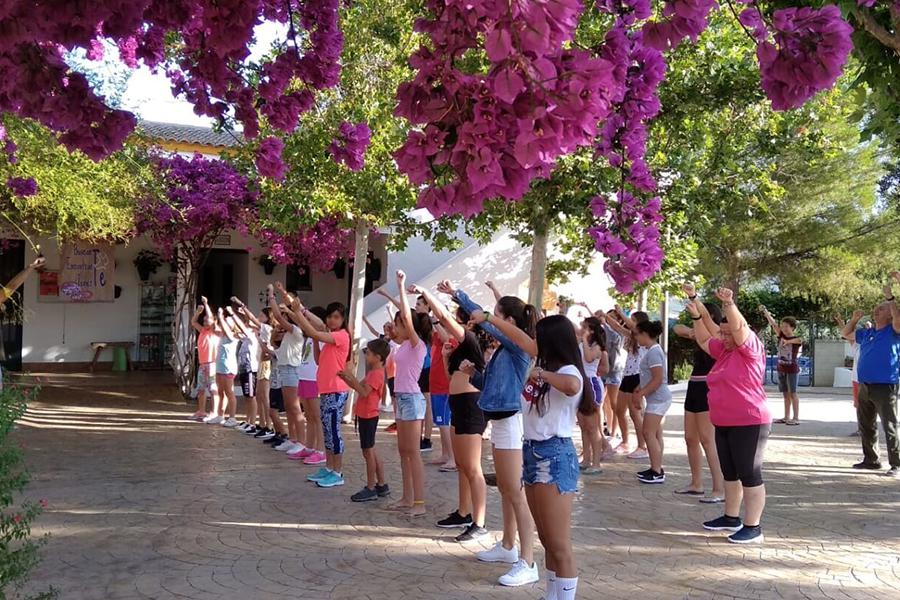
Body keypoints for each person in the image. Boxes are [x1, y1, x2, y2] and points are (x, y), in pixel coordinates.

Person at [472, 311, 595, 600]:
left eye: (539, 337)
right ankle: (552, 595)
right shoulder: (545, 363)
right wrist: (489, 317)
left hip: (554, 455)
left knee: (559, 543)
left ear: (552, 340)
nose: (534, 341)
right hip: (532, 452)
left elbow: (573, 386)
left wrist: (540, 373)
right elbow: (517, 338)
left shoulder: (568, 370)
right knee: (547, 539)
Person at [446, 281, 540, 588]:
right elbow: (489, 386)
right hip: (499, 422)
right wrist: (472, 373)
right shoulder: (503, 353)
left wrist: (460, 296)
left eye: (498, 316)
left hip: (511, 423)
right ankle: (508, 546)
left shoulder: (517, 345)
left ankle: (528, 561)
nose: (491, 322)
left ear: (509, 321)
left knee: (515, 492)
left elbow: (487, 321)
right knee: (506, 489)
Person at [689, 286, 772, 544]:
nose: (723, 336)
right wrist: (696, 314)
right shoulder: (724, 351)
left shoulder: (751, 349)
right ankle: (731, 517)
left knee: (749, 473)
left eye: (727, 333)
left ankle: (753, 526)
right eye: (722, 333)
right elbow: (704, 339)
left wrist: (728, 304)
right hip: (724, 422)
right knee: (730, 473)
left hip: (750, 420)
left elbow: (738, 327)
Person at [414, 285, 489, 542]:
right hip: (458, 403)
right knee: (462, 465)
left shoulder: (471, 341)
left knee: (473, 467)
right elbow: (450, 378)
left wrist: (427, 293)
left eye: (460, 319)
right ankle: (463, 512)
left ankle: (479, 522)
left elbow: (443, 317)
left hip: (470, 405)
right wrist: (447, 358)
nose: (457, 322)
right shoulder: (460, 348)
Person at [287, 294, 353, 489]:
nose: (332, 320)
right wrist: (314, 336)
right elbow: (317, 359)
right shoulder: (329, 338)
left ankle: (337, 472)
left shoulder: (341, 336)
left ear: (342, 319)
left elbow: (314, 332)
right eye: (330, 316)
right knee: (327, 432)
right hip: (326, 391)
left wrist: (299, 313)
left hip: (336, 391)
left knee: (334, 432)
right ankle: (329, 467)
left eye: (336, 317)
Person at [840, 275, 900, 478]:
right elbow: (845, 333)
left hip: (885, 385)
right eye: (876, 308)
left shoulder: (894, 331)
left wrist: (891, 299)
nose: (876, 310)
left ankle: (896, 464)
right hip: (865, 384)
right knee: (866, 424)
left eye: (881, 309)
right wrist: (854, 319)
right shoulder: (867, 333)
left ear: (890, 314)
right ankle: (871, 460)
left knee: (889, 425)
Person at [673, 296, 726, 503]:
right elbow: (677, 328)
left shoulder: (718, 336)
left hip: (707, 386)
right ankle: (696, 484)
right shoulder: (698, 332)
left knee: (707, 439)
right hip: (694, 386)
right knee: (690, 438)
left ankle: (719, 488)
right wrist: (692, 332)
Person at [339, 338, 391, 502]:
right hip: (366, 415)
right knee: (371, 450)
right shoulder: (373, 373)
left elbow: (364, 392)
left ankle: (370, 487)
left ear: (378, 357)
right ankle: (381, 484)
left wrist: (350, 376)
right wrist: (346, 378)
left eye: (368, 353)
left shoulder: (376, 374)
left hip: (369, 416)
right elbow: (358, 386)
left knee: (368, 452)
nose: (366, 356)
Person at [605, 308, 649, 459]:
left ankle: (642, 446)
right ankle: (625, 442)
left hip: (637, 376)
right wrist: (605, 316)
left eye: (634, 320)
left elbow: (629, 326)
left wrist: (620, 313)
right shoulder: (632, 336)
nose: (631, 323)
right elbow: (617, 327)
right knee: (619, 410)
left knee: (635, 413)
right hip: (627, 375)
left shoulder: (644, 338)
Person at [633, 320, 673, 484]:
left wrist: (640, 394)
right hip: (655, 398)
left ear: (644, 334)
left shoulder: (654, 353)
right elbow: (648, 376)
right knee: (652, 433)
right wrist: (639, 389)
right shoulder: (651, 351)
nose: (636, 338)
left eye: (637, 334)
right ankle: (655, 467)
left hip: (658, 399)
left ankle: (657, 471)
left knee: (648, 433)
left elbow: (657, 379)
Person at [291, 305, 328, 465]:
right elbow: (299, 321)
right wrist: (292, 311)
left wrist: (301, 309)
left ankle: (321, 451)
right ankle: (310, 447)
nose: (306, 322)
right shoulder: (309, 339)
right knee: (310, 416)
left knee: (317, 417)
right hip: (304, 379)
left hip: (314, 380)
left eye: (309, 319)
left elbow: (320, 325)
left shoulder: (323, 336)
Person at [577, 317, 609, 473]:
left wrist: (584, 339)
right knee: (583, 426)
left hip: (591, 384)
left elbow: (589, 358)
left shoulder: (596, 346)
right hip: (581, 383)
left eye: (585, 327)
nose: (582, 329)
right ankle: (586, 459)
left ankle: (596, 463)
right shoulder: (582, 343)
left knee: (592, 426)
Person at [761, 306, 803, 425]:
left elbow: (799, 341)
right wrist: (766, 312)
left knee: (793, 393)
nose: (784, 328)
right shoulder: (780, 335)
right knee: (785, 394)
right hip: (781, 368)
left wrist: (787, 341)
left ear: (792, 327)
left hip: (792, 369)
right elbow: (773, 324)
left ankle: (796, 418)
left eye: (786, 326)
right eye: (783, 326)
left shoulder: (796, 339)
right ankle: (786, 416)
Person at [189, 296, 217, 422]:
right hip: (202, 364)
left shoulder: (214, 331)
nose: (205, 322)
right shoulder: (203, 331)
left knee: (213, 389)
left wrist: (206, 304)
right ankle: (201, 411)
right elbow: (193, 322)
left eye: (207, 321)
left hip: (212, 364)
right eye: (204, 320)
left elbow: (210, 318)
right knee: (201, 389)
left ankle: (214, 412)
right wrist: (198, 313)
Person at [214, 307, 240, 428]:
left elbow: (227, 331)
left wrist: (221, 317)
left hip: (228, 367)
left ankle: (232, 417)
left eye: (228, 322)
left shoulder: (233, 336)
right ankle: (220, 415)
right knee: (220, 392)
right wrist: (216, 318)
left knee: (229, 392)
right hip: (220, 367)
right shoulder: (222, 335)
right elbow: (215, 329)